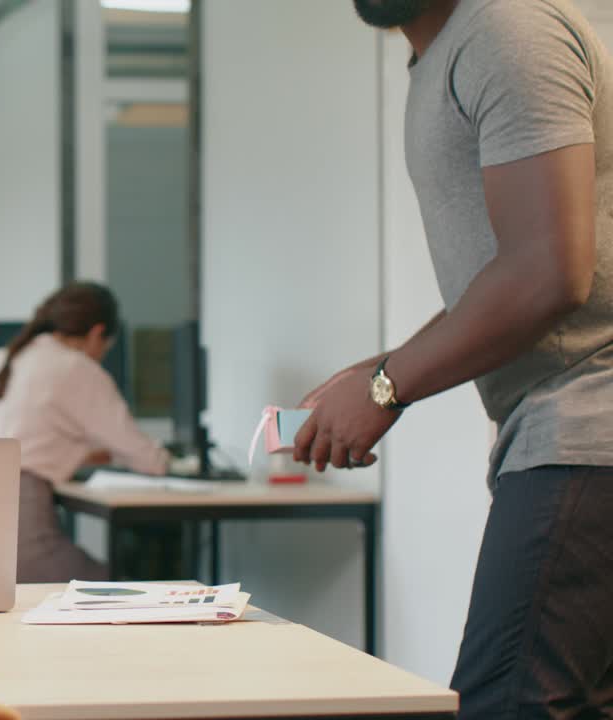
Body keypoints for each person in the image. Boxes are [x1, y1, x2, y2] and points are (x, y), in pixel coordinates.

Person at [297, 1, 612, 716]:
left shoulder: (507, 32)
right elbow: (509, 272)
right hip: (573, 432)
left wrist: (388, 386)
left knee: (511, 703)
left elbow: (548, 272)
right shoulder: (443, 54)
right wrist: (383, 368)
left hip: (589, 429)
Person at [0, 281, 170, 582]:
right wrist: (173, 460)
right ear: (98, 333)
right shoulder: (75, 368)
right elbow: (150, 460)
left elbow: (27, 441)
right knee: (119, 584)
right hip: (23, 546)